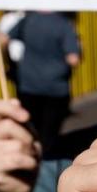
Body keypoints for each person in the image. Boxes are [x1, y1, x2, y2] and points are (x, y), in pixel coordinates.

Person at [8, 11, 82, 162]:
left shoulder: (28, 20)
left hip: (28, 85)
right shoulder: (63, 24)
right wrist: (80, 47)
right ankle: (45, 166)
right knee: (49, 135)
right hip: (55, 88)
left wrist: (9, 63)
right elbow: (73, 59)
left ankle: (33, 162)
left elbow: (3, 39)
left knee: (32, 129)